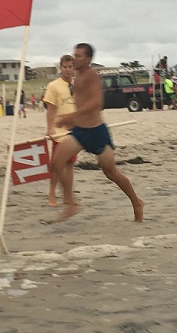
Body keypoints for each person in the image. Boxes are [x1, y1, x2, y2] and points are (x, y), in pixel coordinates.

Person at [52, 43, 144, 222]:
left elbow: (96, 103)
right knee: (56, 162)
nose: (75, 58)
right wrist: (74, 120)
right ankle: (70, 203)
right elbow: (80, 100)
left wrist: (72, 115)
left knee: (110, 172)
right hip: (80, 132)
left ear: (88, 59)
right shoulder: (76, 75)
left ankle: (136, 202)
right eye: (74, 55)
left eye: (78, 56)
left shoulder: (92, 75)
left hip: (97, 132)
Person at [43, 54, 76, 207]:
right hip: (58, 132)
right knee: (56, 165)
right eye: (65, 67)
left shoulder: (77, 85)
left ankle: (68, 195)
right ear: (60, 68)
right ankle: (51, 194)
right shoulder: (54, 86)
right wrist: (50, 128)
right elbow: (50, 109)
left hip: (74, 132)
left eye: (70, 67)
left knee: (70, 164)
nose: (67, 70)